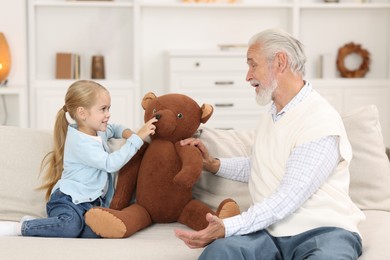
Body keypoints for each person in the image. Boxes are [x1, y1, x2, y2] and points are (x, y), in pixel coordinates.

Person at [175, 28, 365, 259]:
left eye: (253, 65)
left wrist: (229, 226)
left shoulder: (320, 119)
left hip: (323, 231)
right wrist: (213, 164)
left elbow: (289, 196)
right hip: (270, 232)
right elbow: (263, 166)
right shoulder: (271, 115)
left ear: (280, 62)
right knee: (219, 253)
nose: (247, 76)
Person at [0, 80, 157, 238]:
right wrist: (137, 139)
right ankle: (21, 227)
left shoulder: (98, 130)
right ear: (82, 113)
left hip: (89, 204)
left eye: (109, 108)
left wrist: (129, 134)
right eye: (103, 109)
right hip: (68, 200)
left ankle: (49, 225)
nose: (108, 114)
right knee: (71, 226)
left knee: (97, 232)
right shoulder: (80, 142)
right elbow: (110, 164)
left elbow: (114, 128)